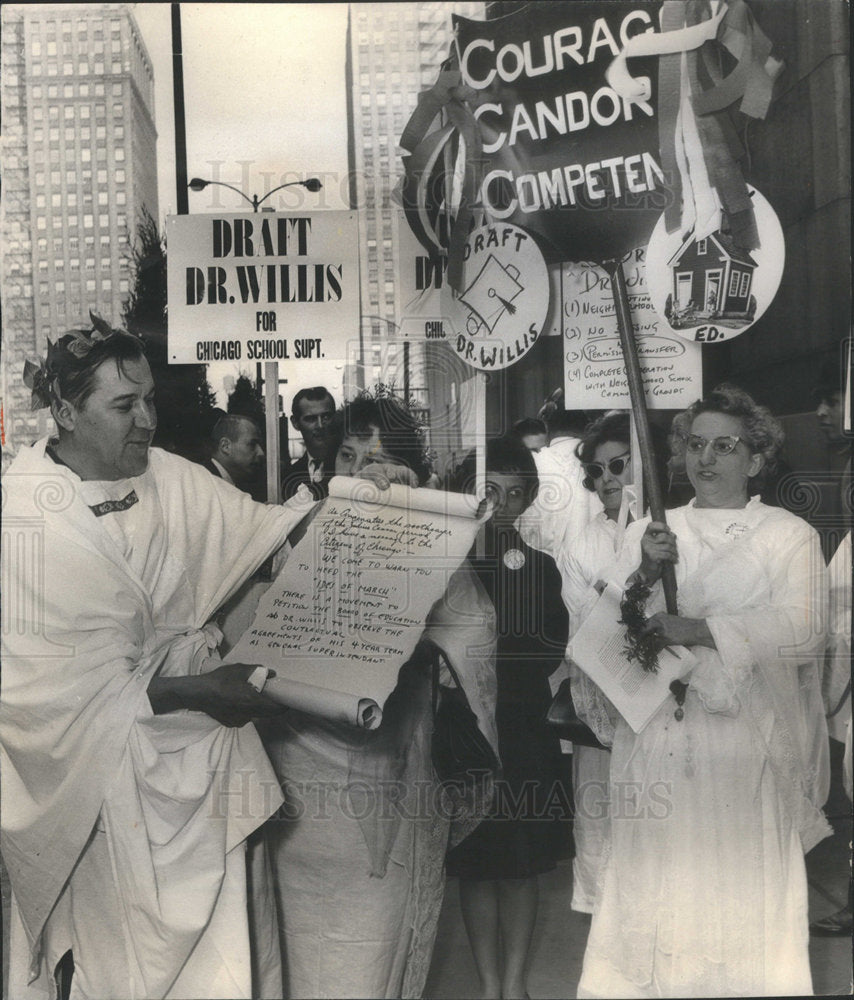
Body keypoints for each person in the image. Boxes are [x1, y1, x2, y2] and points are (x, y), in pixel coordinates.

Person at [2, 317, 317, 999]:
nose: (146, 419)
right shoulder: (24, 521)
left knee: (224, 964)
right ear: (64, 413)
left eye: (149, 400)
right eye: (124, 406)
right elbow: (42, 700)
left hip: (205, 763)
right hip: (106, 785)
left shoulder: (170, 478)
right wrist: (200, 693)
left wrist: (362, 503)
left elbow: (270, 533)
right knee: (120, 970)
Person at [577, 385, 831, 998]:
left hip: (744, 744)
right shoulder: (655, 529)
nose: (706, 459)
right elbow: (604, 628)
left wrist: (703, 629)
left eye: (725, 445)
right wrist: (640, 572)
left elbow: (804, 628)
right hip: (662, 736)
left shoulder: (787, 534)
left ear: (756, 458)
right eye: (695, 445)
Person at [258, 393, 499, 999]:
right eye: (349, 453)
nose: (365, 467)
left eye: (381, 456)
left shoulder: (435, 536)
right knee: (290, 950)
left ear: (412, 471)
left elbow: (473, 636)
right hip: (297, 787)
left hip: (389, 781)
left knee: (370, 957)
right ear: (326, 462)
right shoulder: (295, 522)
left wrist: (414, 644)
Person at [446, 436, 569, 1000]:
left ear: (530, 499)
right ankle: (489, 983)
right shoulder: (448, 563)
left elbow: (548, 649)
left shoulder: (539, 567)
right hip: (467, 730)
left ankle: (515, 983)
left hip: (521, 731)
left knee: (520, 863)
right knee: (477, 862)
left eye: (514, 495)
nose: (501, 505)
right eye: (489, 492)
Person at [555, 412, 636, 916]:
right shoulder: (581, 543)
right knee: (602, 817)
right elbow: (592, 621)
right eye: (596, 474)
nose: (607, 480)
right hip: (604, 702)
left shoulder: (676, 524)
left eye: (618, 466)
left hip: (667, 704)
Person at [281, 385, 336, 500]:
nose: (320, 425)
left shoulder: (348, 467)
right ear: (295, 423)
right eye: (311, 419)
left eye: (326, 417)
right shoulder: (288, 476)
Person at [204, 411, 265, 489]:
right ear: (225, 446)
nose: (261, 453)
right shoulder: (204, 482)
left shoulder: (228, 481)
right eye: (252, 444)